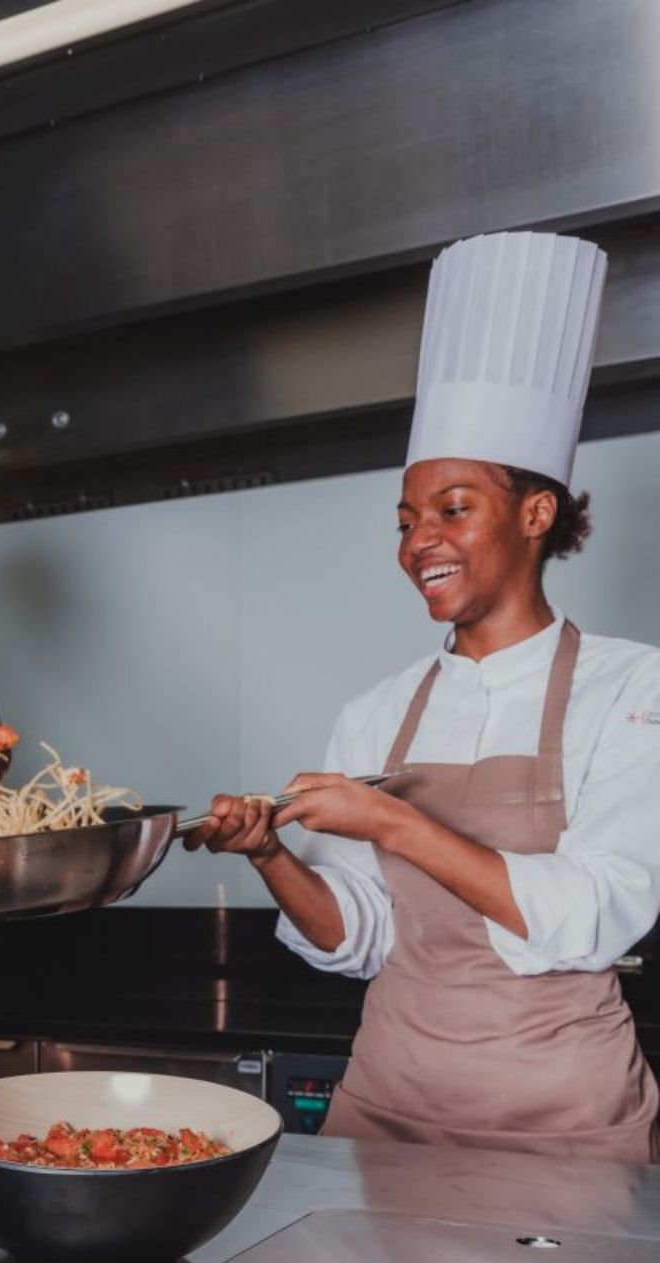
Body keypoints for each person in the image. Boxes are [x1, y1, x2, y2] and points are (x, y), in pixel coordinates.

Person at [187, 232, 660, 1161]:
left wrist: (392, 821)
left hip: (563, 1117)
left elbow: (595, 909)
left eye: (453, 507)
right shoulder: (380, 708)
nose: (418, 542)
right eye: (407, 520)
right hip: (392, 1102)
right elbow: (362, 936)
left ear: (537, 514)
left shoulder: (634, 685)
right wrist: (271, 854)